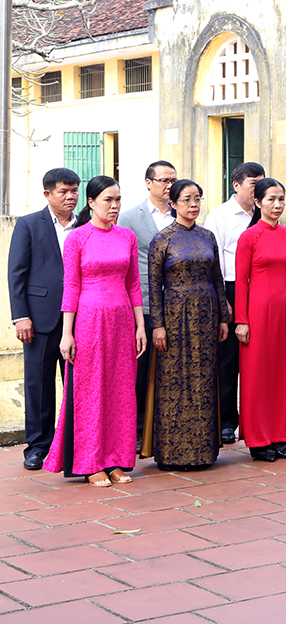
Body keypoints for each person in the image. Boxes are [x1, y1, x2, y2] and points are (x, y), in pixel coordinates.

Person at [44, 176, 145, 486]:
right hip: (88, 321)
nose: (114, 207)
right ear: (91, 202)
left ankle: (116, 460)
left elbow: (133, 284)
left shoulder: (127, 236)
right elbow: (71, 286)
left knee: (121, 392)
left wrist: (140, 325)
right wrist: (67, 333)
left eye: (118, 200)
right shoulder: (77, 238)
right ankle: (90, 462)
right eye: (107, 201)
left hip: (122, 320)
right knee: (91, 392)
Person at [144, 180, 230, 469]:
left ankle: (204, 451)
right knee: (174, 381)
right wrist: (158, 325)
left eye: (198, 199)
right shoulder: (163, 239)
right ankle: (171, 452)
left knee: (204, 379)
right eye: (187, 199)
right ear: (174, 204)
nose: (194, 205)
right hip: (174, 316)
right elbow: (154, 285)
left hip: (206, 314)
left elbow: (217, 278)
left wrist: (223, 317)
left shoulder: (208, 237)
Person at [8, 168, 80, 470]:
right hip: (39, 319)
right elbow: (17, 273)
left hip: (78, 317)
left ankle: (75, 444)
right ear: (48, 194)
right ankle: (38, 446)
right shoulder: (29, 225)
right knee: (38, 383)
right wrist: (21, 316)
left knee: (77, 384)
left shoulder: (86, 224)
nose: (71, 196)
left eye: (74, 190)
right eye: (64, 191)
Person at [235, 178, 286, 461]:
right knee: (258, 375)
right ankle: (258, 440)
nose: (277, 205)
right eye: (271, 200)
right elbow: (241, 281)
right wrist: (242, 320)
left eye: (281, 199)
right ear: (257, 202)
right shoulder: (249, 236)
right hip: (258, 313)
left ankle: (282, 435)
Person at [117, 160, 177, 450]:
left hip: (178, 304)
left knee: (172, 370)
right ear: (148, 182)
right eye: (164, 180)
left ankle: (168, 426)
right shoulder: (129, 218)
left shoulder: (184, 214)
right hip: (144, 305)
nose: (169, 186)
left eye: (173, 181)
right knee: (141, 371)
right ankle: (140, 429)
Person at [205, 162, 265, 445]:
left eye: (261, 183)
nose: (259, 189)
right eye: (254, 183)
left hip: (260, 290)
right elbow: (213, 260)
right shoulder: (220, 215)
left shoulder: (265, 214)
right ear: (237, 185)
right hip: (229, 289)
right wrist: (222, 300)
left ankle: (257, 420)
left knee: (258, 360)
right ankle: (227, 421)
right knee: (227, 361)